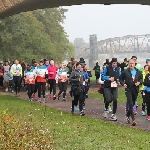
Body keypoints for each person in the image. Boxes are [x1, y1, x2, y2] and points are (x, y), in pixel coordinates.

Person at [119, 59, 142, 126]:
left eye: (132, 63)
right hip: (128, 89)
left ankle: (127, 115)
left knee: (133, 102)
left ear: (135, 64)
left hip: (135, 89)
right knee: (131, 104)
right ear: (128, 64)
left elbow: (141, 79)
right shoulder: (125, 71)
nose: (131, 65)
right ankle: (133, 119)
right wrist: (123, 84)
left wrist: (139, 82)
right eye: (130, 63)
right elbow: (120, 79)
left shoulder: (138, 72)